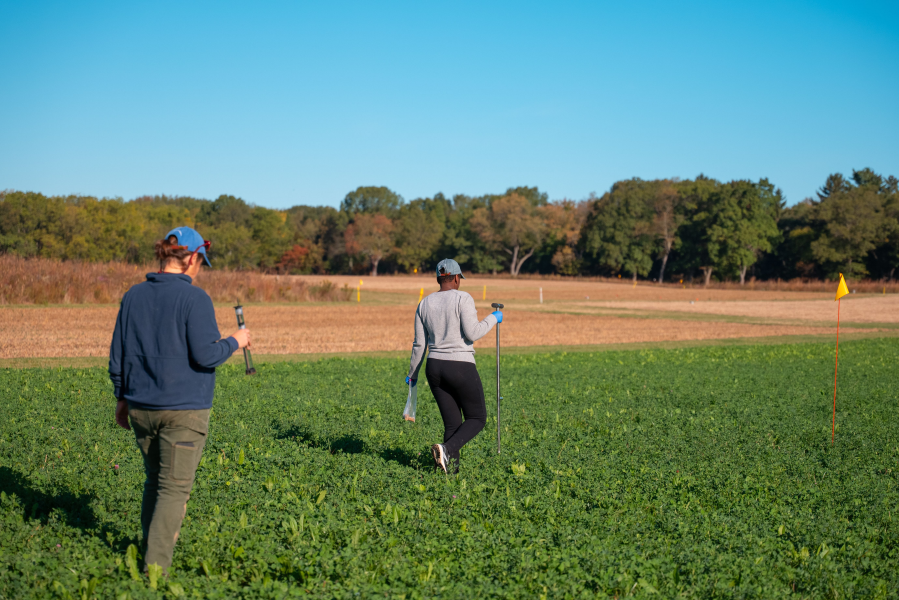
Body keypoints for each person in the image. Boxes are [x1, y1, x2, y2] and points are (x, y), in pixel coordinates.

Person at [109, 227, 250, 573]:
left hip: (140, 407)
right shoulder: (194, 299)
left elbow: (118, 356)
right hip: (184, 411)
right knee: (173, 491)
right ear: (190, 258)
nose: (199, 267)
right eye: (200, 260)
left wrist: (121, 398)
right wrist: (236, 340)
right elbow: (206, 356)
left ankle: (147, 553)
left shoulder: (133, 296)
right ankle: (154, 573)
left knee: (155, 481)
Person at [407, 258, 503, 473]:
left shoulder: (424, 303)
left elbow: (419, 344)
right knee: (477, 418)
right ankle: (446, 449)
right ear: (457, 278)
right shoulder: (463, 298)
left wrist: (412, 374)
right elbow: (473, 333)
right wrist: (494, 318)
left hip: (434, 368)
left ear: (438, 278)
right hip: (460, 366)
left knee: (452, 424)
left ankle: (451, 473)